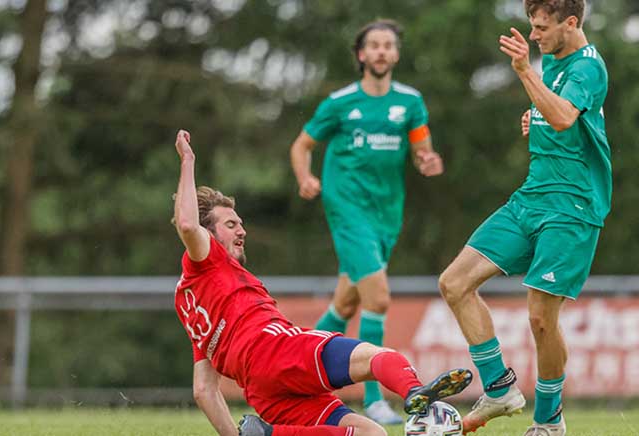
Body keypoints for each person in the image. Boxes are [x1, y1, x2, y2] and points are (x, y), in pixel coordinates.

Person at [172, 130, 471, 436]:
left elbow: (204, 390)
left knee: (373, 434)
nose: (242, 231)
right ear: (207, 234)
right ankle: (414, 391)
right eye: (231, 224)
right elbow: (187, 224)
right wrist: (188, 160)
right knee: (380, 357)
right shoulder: (209, 259)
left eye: (241, 224)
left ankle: (269, 434)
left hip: (261, 390)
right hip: (277, 350)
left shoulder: (188, 304)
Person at [438, 1, 610, 435]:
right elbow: (558, 116)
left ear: (571, 23)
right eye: (533, 26)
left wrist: (524, 72)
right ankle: (499, 388)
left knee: (540, 318)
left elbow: (564, 116)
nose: (534, 36)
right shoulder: (553, 61)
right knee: (454, 283)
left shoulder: (588, 67)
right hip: (530, 198)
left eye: (541, 27)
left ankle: (548, 421)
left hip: (571, 207)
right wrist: (534, 115)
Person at [289, 19, 444, 424]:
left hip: (386, 214)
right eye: (373, 45)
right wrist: (305, 177)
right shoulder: (340, 103)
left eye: (387, 45)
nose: (380, 51)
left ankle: (291, 375)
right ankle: (374, 399)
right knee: (378, 299)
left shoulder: (410, 102)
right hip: (347, 208)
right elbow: (302, 145)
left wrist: (427, 161)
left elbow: (421, 148)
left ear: (396, 54)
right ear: (361, 54)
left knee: (346, 303)